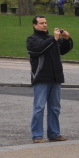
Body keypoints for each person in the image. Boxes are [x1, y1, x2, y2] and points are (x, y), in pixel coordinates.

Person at [26, 15, 72, 143]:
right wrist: (54, 39)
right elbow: (39, 49)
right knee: (39, 107)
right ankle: (37, 135)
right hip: (41, 77)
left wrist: (67, 39)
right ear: (34, 25)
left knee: (55, 107)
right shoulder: (32, 39)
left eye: (45, 22)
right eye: (41, 23)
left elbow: (63, 50)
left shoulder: (52, 39)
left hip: (55, 77)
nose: (44, 25)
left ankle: (54, 133)